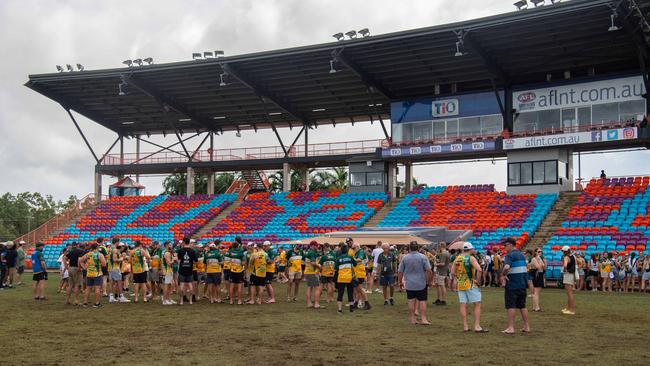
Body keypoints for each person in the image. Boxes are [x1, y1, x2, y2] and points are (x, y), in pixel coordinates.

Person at [451, 242, 486, 333]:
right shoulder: (471, 258)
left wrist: (458, 277)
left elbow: (452, 272)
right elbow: (479, 269)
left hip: (461, 284)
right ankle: (477, 326)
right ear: (470, 249)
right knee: (477, 304)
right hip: (470, 284)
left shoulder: (457, 258)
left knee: (463, 304)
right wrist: (478, 281)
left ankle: (465, 326)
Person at [397, 241, 433, 325]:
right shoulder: (423, 257)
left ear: (409, 248)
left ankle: (412, 319)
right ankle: (423, 319)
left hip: (409, 283)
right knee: (422, 301)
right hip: (421, 283)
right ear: (418, 248)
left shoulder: (405, 258)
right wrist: (430, 281)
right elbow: (429, 271)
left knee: (411, 300)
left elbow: (400, 272)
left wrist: (400, 282)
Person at [501, 238, 531, 333]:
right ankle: (527, 327)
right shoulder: (522, 255)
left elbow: (506, 267)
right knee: (522, 306)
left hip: (512, 284)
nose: (504, 248)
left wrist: (504, 274)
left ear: (510, 245)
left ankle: (511, 327)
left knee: (511, 306)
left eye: (505, 245)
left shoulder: (509, 256)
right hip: (522, 284)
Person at [80, 242, 107, 308]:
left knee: (88, 288)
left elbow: (81, 260)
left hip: (89, 273)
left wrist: (84, 268)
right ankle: (96, 303)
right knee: (97, 288)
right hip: (97, 274)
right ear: (97, 248)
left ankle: (85, 302)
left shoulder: (88, 254)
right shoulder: (99, 254)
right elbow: (104, 264)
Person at [334, 243, 356, 314]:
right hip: (349, 278)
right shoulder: (350, 257)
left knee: (340, 294)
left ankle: (340, 309)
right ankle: (351, 309)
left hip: (341, 278)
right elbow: (355, 264)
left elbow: (335, 268)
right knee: (350, 293)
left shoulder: (338, 259)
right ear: (347, 251)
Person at [177, 237, 199, 305]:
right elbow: (196, 260)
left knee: (181, 286)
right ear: (189, 242)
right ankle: (190, 301)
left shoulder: (180, 250)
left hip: (182, 270)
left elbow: (179, 260)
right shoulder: (192, 251)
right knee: (190, 286)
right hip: (190, 270)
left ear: (183, 242)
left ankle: (181, 301)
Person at [303, 241, 323, 309]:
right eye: (316, 246)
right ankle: (316, 304)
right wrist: (319, 266)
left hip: (307, 271)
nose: (317, 247)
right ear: (313, 245)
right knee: (317, 288)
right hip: (312, 272)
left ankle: (309, 303)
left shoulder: (308, 252)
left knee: (309, 287)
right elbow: (313, 263)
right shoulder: (312, 252)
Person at [352, 243, 370, 310]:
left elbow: (359, 259)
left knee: (359, 289)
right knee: (358, 290)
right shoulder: (357, 252)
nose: (353, 250)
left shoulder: (360, 252)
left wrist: (351, 259)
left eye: (354, 248)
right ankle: (356, 303)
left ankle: (367, 303)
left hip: (360, 273)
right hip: (358, 273)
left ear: (357, 247)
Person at [561, 246, 577, 315]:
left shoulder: (566, 257)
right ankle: (568, 308)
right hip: (571, 275)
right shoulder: (573, 256)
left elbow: (565, 265)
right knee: (569, 293)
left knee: (569, 293)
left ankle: (571, 310)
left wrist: (565, 269)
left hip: (568, 275)